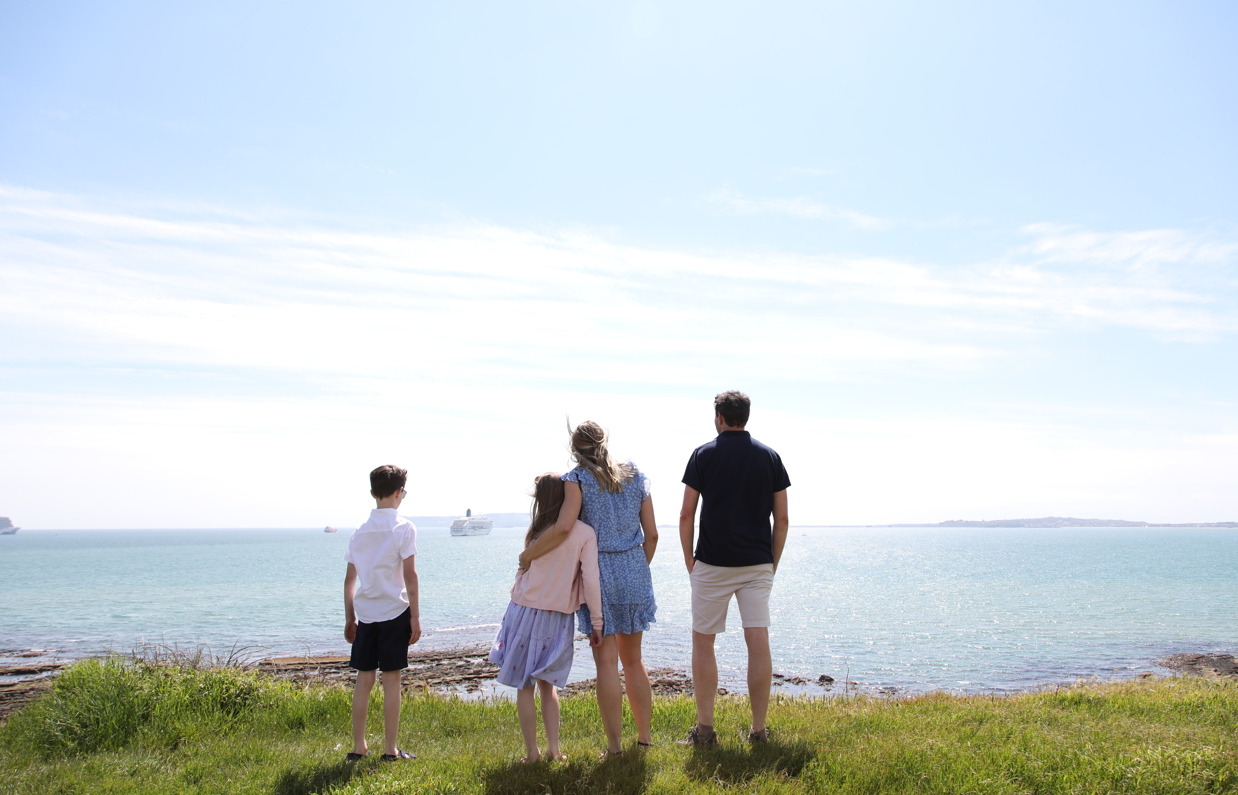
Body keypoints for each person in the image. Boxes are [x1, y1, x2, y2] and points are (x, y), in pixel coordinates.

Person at [519, 421, 658, 757]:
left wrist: (529, 555)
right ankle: (644, 739)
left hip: (600, 573)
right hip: (636, 568)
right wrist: (636, 567)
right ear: (605, 442)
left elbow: (565, 527)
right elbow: (652, 534)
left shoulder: (577, 480)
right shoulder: (636, 476)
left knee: (607, 663)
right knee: (635, 660)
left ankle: (614, 748)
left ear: (574, 447)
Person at [678, 391, 790, 746]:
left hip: (711, 563)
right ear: (746, 416)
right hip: (757, 563)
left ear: (720, 417)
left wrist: (689, 561)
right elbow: (782, 518)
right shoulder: (769, 457)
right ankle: (759, 731)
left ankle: (706, 731)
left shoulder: (703, 455)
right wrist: (771, 562)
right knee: (758, 641)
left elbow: (686, 514)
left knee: (703, 642)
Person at [490, 473, 604, 763]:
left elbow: (522, 570)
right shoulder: (584, 533)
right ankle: (554, 749)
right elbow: (591, 580)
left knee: (524, 686)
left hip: (524, 611)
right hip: (558, 618)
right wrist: (597, 621)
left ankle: (532, 753)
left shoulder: (538, 530)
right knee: (547, 687)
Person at [343, 464, 421, 762]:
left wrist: (350, 616)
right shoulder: (404, 528)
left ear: (373, 492)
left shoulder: (358, 533)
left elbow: (350, 580)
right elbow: (410, 576)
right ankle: (390, 749)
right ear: (400, 492)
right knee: (391, 680)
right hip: (395, 611)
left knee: (364, 680)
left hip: (366, 613)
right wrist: (415, 616)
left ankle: (358, 746)